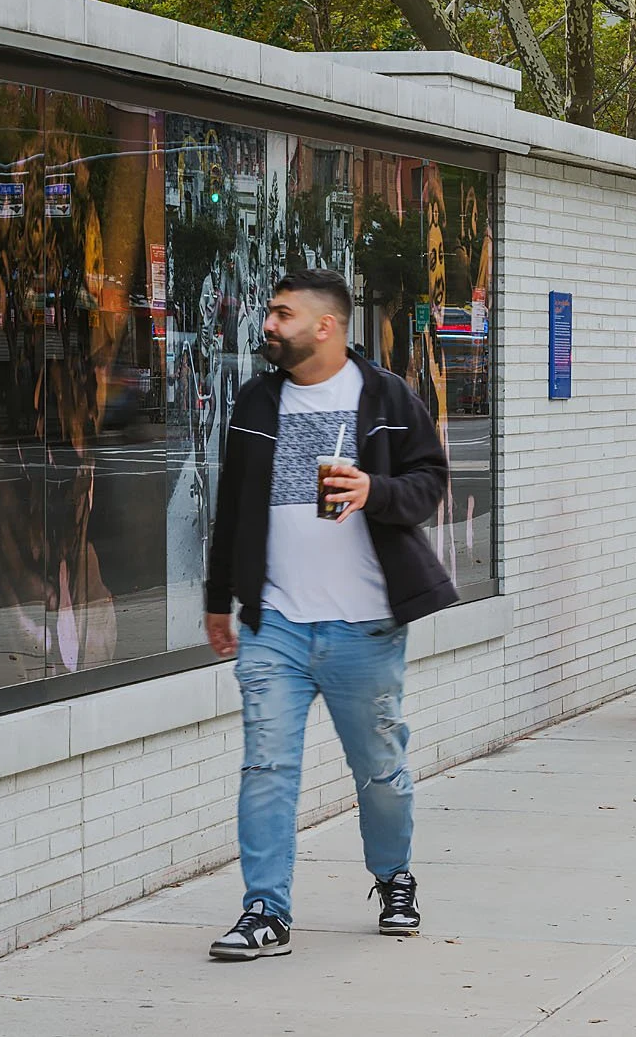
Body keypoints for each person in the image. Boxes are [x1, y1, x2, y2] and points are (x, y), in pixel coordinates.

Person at [203, 268, 457, 962]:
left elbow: (431, 482)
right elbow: (231, 507)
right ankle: (265, 909)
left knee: (379, 770)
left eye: (282, 314)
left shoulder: (386, 395)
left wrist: (375, 488)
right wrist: (217, 597)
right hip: (275, 623)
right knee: (266, 766)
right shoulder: (256, 399)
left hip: (365, 626)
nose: (268, 325)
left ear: (326, 325)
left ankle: (393, 874)